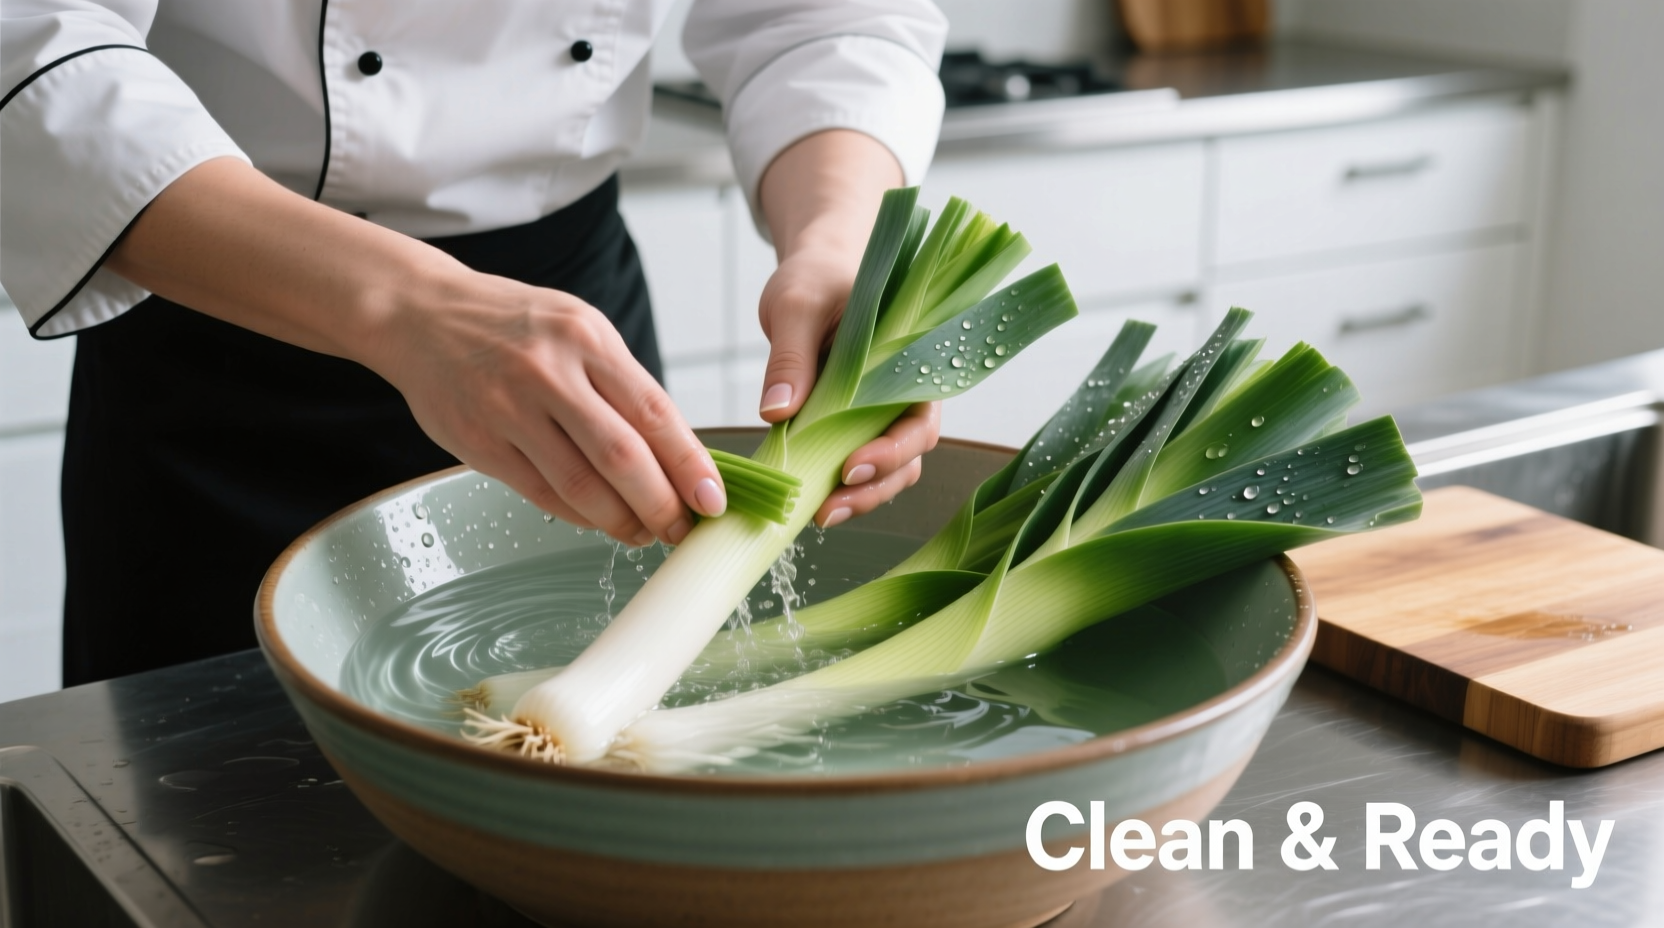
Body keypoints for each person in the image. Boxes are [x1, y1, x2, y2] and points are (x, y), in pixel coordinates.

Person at [0, 1, 950, 686]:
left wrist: (837, 244)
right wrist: (409, 307)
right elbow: (31, 39)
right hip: (232, 305)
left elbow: (825, 17)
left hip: (578, 338)